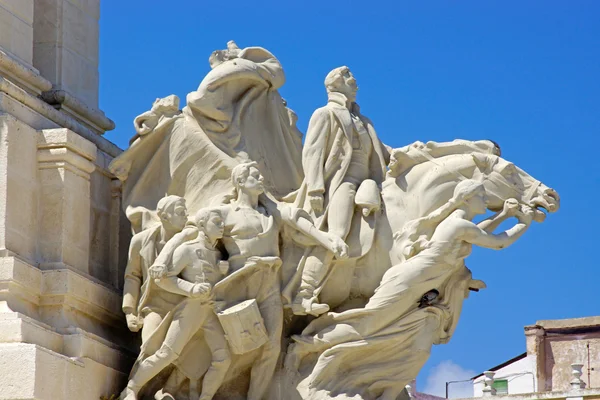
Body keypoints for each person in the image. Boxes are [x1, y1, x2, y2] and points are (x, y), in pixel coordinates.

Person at [284, 180, 534, 398]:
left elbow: (481, 232)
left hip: (415, 280)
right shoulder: (458, 225)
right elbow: (500, 243)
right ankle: (309, 344)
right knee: (369, 322)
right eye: (481, 195)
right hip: (408, 280)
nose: (485, 199)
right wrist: (525, 221)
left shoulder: (459, 223)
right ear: (468, 198)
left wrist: (504, 215)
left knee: (376, 326)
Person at [149, 161, 348, 400]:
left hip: (269, 282)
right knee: (222, 342)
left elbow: (296, 220)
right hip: (238, 281)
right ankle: (175, 385)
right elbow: (188, 232)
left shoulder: (271, 212)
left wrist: (327, 239)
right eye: (254, 175)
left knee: (271, 347)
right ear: (240, 182)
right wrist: (162, 258)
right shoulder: (225, 213)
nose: (260, 179)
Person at [287, 66, 390, 316]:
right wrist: (315, 188)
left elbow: (383, 153)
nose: (356, 84)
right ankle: (304, 293)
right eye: (350, 80)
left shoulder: (364, 121)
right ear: (336, 85)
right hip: (340, 181)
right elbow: (312, 151)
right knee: (336, 233)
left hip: (370, 181)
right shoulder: (325, 114)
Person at [120, 208, 230, 400]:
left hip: (210, 312)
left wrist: (224, 273)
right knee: (167, 354)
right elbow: (163, 279)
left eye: (222, 223)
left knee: (223, 358)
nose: (222, 227)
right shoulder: (187, 249)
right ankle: (131, 389)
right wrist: (190, 289)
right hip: (192, 309)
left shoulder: (218, 256)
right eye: (216, 222)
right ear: (202, 226)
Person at [122, 195, 189, 344]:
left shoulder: (190, 240)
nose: (186, 216)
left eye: (186, 211)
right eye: (180, 212)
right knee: (149, 345)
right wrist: (129, 312)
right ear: (165, 217)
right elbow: (133, 276)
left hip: (183, 307)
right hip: (154, 307)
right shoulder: (140, 241)